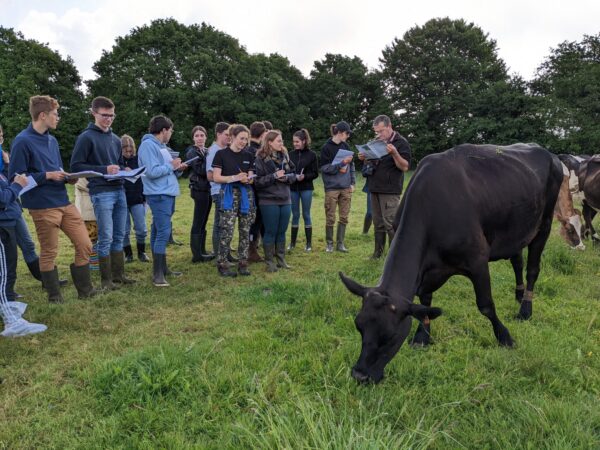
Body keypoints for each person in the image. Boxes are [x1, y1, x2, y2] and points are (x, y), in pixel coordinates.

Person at [9, 95, 97, 302]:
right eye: (55, 114)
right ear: (42, 115)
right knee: (49, 251)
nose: (58, 118)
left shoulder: (52, 139)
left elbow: (56, 168)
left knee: (85, 244)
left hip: (63, 201)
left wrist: (67, 177)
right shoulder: (22, 141)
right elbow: (16, 177)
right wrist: (46, 175)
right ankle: (54, 296)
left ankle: (85, 290)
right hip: (42, 206)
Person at [71, 96, 134, 289]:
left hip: (119, 189)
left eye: (112, 115)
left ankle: (118, 275)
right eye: (104, 115)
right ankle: (105, 280)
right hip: (100, 192)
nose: (108, 119)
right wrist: (105, 169)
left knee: (120, 233)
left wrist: (126, 170)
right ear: (94, 113)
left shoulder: (115, 139)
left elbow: (119, 164)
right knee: (105, 235)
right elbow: (76, 166)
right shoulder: (86, 137)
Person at [2, 124, 69, 289]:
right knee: (8, 255)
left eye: (1, 134)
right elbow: (12, 181)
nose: (1, 137)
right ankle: (7, 292)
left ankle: (46, 280)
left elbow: (12, 178)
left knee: (28, 244)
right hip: (4, 210)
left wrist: (8, 163)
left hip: (13, 207)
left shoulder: (3, 154)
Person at [138, 115, 187, 287]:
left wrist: (178, 169)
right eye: (171, 131)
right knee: (163, 232)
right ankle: (157, 275)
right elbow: (151, 171)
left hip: (167, 192)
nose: (171, 134)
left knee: (158, 230)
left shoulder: (162, 147)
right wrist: (171, 166)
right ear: (164, 130)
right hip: (158, 194)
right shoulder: (147, 146)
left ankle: (163, 268)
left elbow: (166, 170)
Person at [0, 170, 48, 337]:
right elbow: (2, 199)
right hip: (2, 226)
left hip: (7, 222)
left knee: (8, 272)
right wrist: (17, 185)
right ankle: (12, 322)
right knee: (5, 275)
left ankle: (11, 316)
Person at [359, 115, 411, 258]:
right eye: (377, 132)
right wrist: (364, 158)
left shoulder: (401, 143)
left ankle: (396, 256)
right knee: (378, 223)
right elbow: (370, 164)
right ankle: (378, 253)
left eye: (381, 131)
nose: (379, 135)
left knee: (391, 224)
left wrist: (394, 153)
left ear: (389, 126)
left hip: (390, 190)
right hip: (374, 187)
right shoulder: (375, 142)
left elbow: (405, 167)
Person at [211, 124, 256, 277]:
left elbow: (251, 176)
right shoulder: (221, 154)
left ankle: (243, 263)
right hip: (229, 194)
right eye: (241, 138)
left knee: (245, 230)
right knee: (227, 231)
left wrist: (248, 180)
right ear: (232, 137)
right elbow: (216, 177)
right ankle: (222, 264)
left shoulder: (249, 155)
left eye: (246, 139)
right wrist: (234, 178)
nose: (244, 142)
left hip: (245, 195)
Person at [254, 130, 296, 272]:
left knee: (282, 231)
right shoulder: (260, 158)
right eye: (279, 141)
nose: (282, 143)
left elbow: (293, 174)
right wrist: (273, 176)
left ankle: (281, 259)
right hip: (268, 200)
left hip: (285, 198)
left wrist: (287, 178)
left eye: (282, 140)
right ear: (270, 142)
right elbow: (257, 181)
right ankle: (270, 262)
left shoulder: (284, 155)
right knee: (271, 231)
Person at [319, 121, 355, 252]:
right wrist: (341, 164)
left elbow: (351, 166)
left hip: (346, 187)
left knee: (344, 216)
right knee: (330, 216)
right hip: (332, 188)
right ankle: (329, 243)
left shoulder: (346, 146)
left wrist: (352, 183)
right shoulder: (326, 148)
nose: (348, 136)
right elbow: (324, 168)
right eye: (347, 133)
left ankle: (340, 244)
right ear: (339, 133)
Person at [206, 122, 235, 262]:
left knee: (226, 225)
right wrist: (229, 178)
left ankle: (226, 253)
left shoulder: (224, 150)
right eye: (226, 135)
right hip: (218, 191)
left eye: (230, 135)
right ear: (218, 134)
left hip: (227, 190)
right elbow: (210, 176)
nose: (229, 138)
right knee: (219, 224)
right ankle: (219, 255)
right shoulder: (214, 151)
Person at [184, 126, 214, 262]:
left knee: (204, 220)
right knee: (198, 220)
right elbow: (202, 170)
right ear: (193, 138)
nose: (200, 138)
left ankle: (202, 251)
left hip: (208, 188)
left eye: (202, 135)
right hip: (198, 189)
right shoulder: (192, 152)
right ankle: (196, 255)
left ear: (206, 137)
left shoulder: (207, 151)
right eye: (197, 136)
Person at [288, 128, 319, 252]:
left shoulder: (312, 155)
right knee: (295, 215)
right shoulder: (290, 155)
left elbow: (315, 173)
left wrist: (304, 176)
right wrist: (293, 176)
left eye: (297, 142)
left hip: (306, 188)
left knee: (306, 214)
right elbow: (287, 170)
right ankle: (292, 243)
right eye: (294, 142)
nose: (295, 144)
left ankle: (309, 243)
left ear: (304, 141)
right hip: (293, 188)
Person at [121, 135, 149, 263]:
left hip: (137, 199)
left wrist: (144, 198)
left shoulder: (139, 160)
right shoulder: (117, 162)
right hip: (122, 201)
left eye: (130, 148)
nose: (128, 151)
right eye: (125, 148)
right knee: (124, 230)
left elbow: (144, 180)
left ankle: (141, 252)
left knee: (141, 228)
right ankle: (128, 254)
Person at [247, 121, 268, 263]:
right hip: (257, 191)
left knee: (254, 222)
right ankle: (251, 250)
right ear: (262, 134)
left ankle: (253, 247)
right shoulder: (257, 152)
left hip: (250, 190)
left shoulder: (247, 149)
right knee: (256, 221)